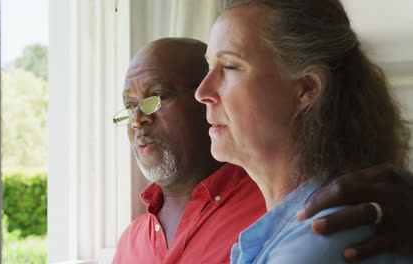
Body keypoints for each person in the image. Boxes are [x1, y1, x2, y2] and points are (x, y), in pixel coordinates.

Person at [112, 37, 413, 263]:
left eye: (158, 95)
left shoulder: (293, 205)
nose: (138, 119)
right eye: (129, 107)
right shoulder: (130, 241)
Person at [195, 0, 413, 263]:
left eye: (230, 66)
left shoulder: (323, 239)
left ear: (307, 88)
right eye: (209, 67)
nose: (202, 93)